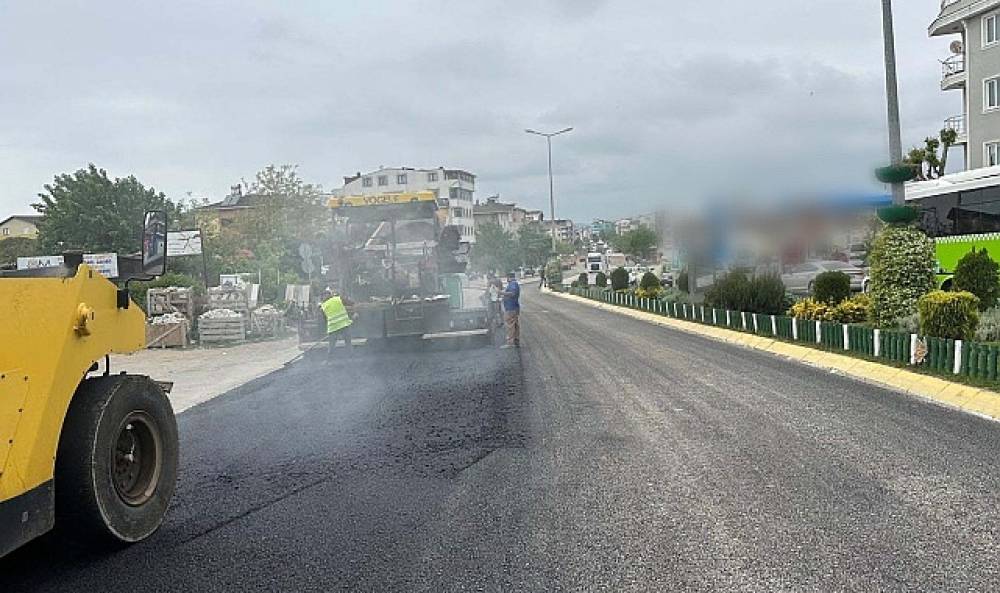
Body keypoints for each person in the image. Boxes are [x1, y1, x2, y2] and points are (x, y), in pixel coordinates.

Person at [320, 288, 354, 359]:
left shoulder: (323, 306)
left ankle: (329, 360)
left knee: (331, 346)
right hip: (344, 325)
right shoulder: (338, 299)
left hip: (333, 328)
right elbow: (351, 303)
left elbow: (325, 320)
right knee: (348, 343)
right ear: (331, 295)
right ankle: (351, 358)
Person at [500, 271, 521, 348]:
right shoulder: (514, 284)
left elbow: (512, 293)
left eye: (507, 278)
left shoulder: (513, 284)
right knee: (515, 324)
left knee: (510, 325)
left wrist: (501, 293)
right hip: (514, 307)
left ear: (509, 278)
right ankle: (516, 340)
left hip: (511, 308)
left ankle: (510, 342)